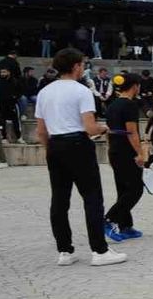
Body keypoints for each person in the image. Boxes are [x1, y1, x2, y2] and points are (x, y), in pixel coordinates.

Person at [36, 49, 125, 267]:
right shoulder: (81, 91)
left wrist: (51, 149)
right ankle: (99, 250)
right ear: (76, 66)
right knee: (92, 197)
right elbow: (90, 128)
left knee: (59, 199)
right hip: (77, 144)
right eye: (82, 64)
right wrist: (103, 129)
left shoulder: (45, 92)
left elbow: (40, 131)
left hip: (55, 144)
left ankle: (65, 251)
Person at [103, 73, 149, 242]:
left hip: (115, 149)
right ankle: (108, 220)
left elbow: (108, 131)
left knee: (123, 189)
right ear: (135, 86)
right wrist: (139, 153)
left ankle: (125, 225)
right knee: (135, 189)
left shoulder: (112, 105)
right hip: (126, 150)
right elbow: (131, 132)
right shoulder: (130, 105)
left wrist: (109, 151)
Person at [0, 66, 23, 143]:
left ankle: (19, 137)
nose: (2, 74)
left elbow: (20, 92)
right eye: (1, 72)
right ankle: (4, 138)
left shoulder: (15, 81)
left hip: (12, 104)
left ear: (9, 72)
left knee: (16, 121)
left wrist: (14, 97)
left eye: (4, 72)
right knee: (2, 121)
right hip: (2, 104)